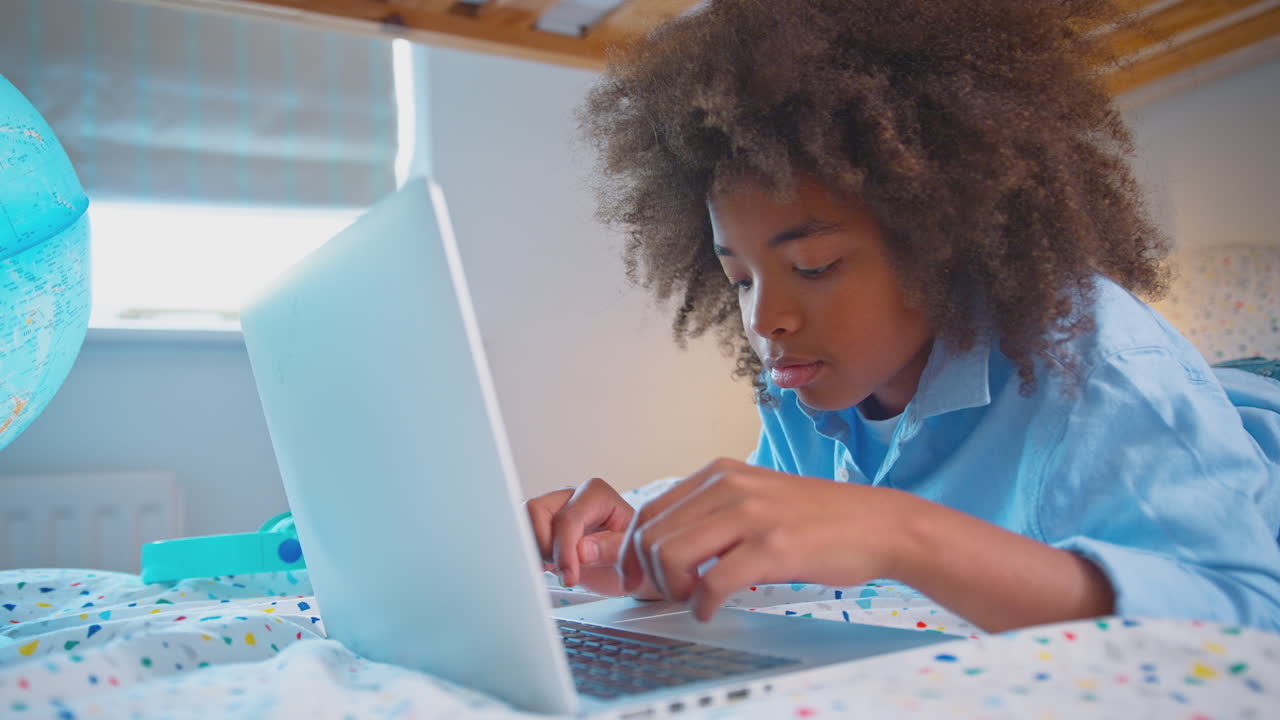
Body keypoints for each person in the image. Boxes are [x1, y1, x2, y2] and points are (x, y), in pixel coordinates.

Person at [525, 0, 1280, 633]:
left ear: (941, 241)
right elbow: (786, 517)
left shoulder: (1103, 373)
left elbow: (1251, 615)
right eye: (739, 279)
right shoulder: (801, 383)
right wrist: (649, 535)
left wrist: (897, 532)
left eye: (814, 266)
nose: (767, 319)